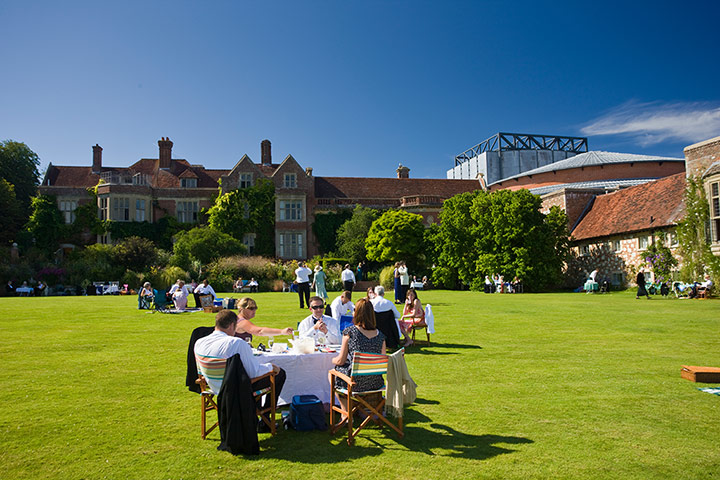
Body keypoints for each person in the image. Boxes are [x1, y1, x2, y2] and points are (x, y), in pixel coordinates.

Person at [194, 309, 286, 431]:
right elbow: (254, 372)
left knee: (253, 376)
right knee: (279, 374)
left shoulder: (199, 342)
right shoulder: (236, 343)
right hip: (234, 389)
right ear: (232, 325)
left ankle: (255, 415)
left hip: (212, 386)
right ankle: (264, 418)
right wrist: (271, 367)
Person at [331, 298, 386, 392]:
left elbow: (341, 360)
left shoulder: (350, 332)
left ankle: (345, 406)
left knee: (332, 373)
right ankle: (364, 405)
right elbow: (382, 361)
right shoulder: (381, 336)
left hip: (354, 383)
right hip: (376, 383)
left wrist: (333, 360)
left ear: (357, 313)